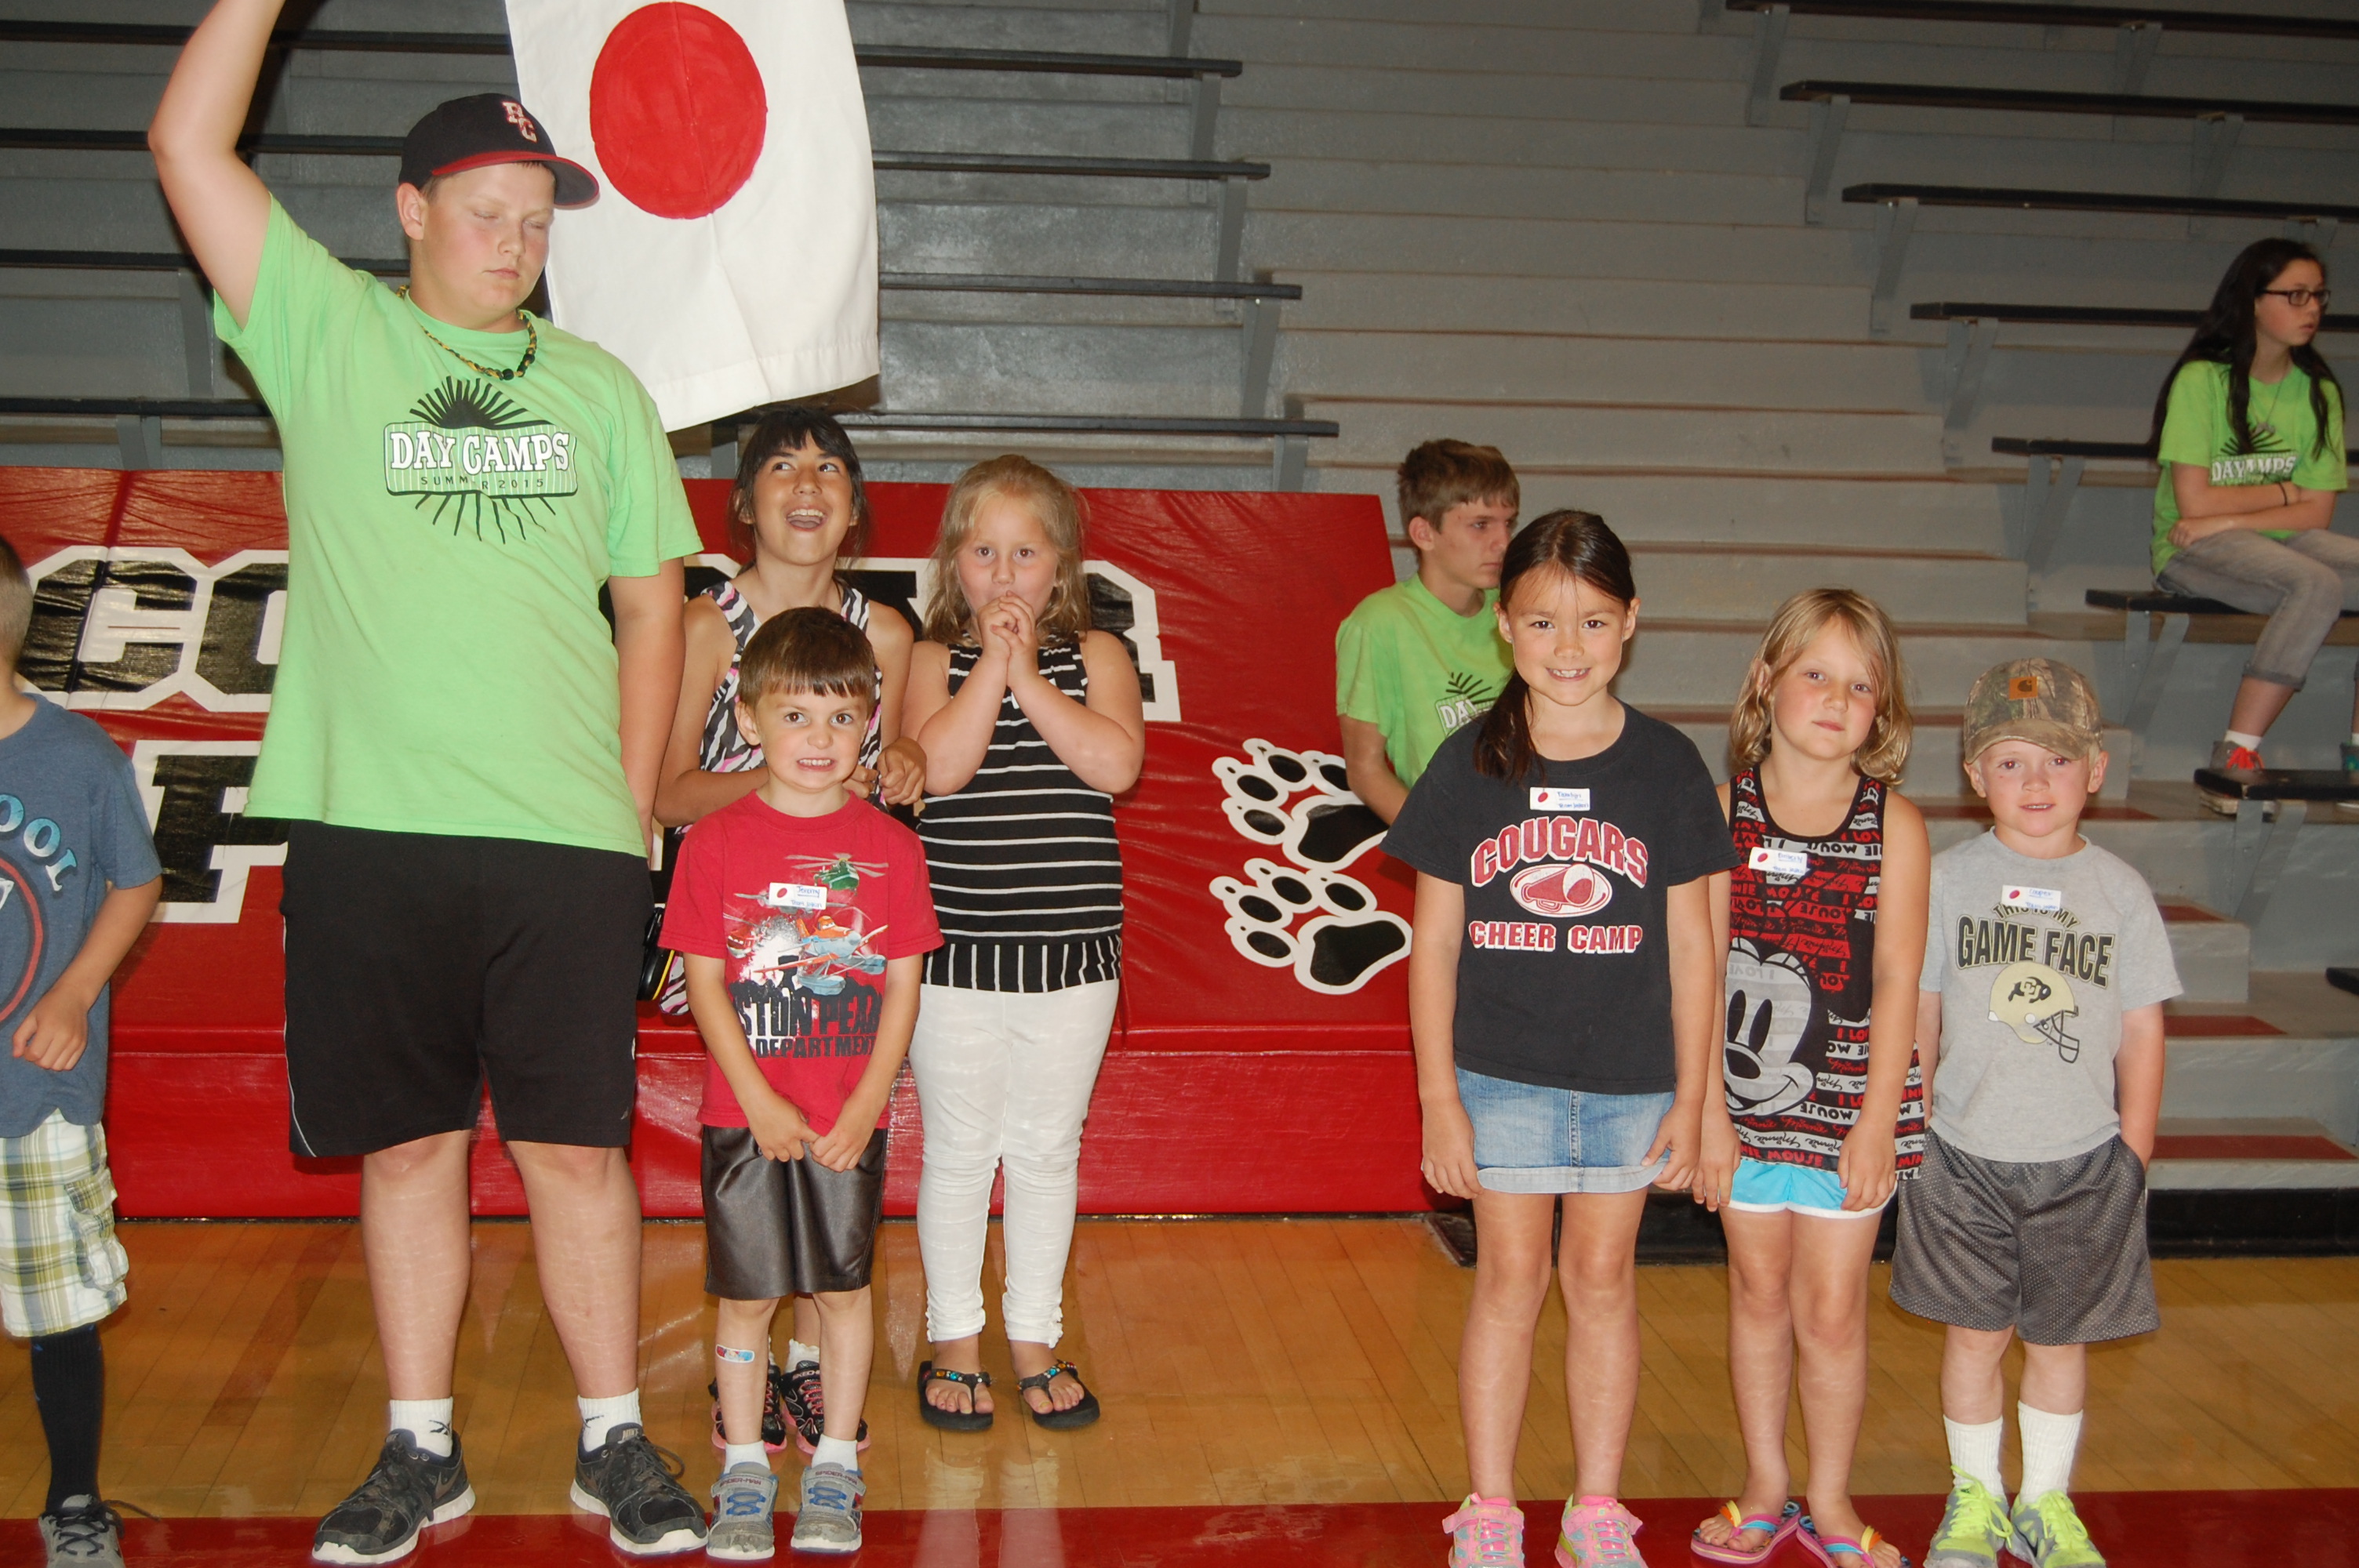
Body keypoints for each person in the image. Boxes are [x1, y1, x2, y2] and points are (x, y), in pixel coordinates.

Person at [149, 6, 708, 1559]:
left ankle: (613, 1442)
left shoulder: (599, 392)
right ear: (410, 214)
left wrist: (633, 796)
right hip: (372, 822)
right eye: (486, 212)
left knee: (576, 1148)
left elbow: (654, 601)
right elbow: (186, 146)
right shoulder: (328, 330)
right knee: (406, 1145)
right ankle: (421, 1449)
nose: (516, 240)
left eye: (536, 220)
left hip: (562, 838)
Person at [1384, 511, 1739, 1568]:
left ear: (1631, 622)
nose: (1569, 646)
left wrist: (1700, 1098)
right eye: (1542, 623)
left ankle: (1596, 1506)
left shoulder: (1668, 766)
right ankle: (1490, 1505)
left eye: (1591, 621)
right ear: (1505, 628)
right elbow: (1434, 944)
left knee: (1603, 1283)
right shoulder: (1467, 765)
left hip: (1634, 1080)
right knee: (1507, 1282)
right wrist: (1439, 1096)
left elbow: (1695, 946)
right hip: (1498, 1076)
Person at [652, 408, 925, 1459]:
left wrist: (897, 768)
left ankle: (815, 1372)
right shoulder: (704, 623)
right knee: (766, 1142)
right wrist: (774, 791)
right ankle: (752, 1371)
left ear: (854, 506)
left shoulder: (887, 632)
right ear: (744, 500)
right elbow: (670, 790)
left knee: (835, 1151)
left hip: (841, 924)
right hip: (738, 924)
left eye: (829, 468)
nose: (807, 482)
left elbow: (893, 781)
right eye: (781, 465)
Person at [661, 608, 940, 1559]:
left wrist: (865, 1103)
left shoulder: (893, 849)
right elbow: (704, 984)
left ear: (868, 720)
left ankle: (835, 1465)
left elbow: (902, 982)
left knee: (841, 1290)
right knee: (744, 1298)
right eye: (794, 715)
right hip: (744, 1117)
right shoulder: (714, 840)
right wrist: (758, 1100)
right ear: (747, 719)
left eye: (837, 716)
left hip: (844, 1123)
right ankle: (743, 1464)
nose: (817, 739)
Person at [1895, 659, 2178, 1568]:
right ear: (1973, 775)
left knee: (2058, 1340)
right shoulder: (1943, 880)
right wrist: (1913, 1130)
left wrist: (2131, 1155)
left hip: (2082, 1158)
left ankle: (2045, 1500)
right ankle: (1973, 1497)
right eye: (2009, 762)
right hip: (1963, 1152)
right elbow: (1921, 1011)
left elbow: (2141, 1029)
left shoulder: (2120, 891)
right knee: (1973, 1335)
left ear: (2093, 770)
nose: (2034, 782)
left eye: (2056, 760)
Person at [902, 456, 1144, 1431]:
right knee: (959, 1151)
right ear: (954, 561)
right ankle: (954, 1335)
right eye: (983, 551)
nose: (1004, 575)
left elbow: (1114, 764)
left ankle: (1033, 1334)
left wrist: (1031, 674)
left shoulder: (1098, 654)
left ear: (1061, 566)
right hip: (955, 947)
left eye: (1025, 553)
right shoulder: (930, 657)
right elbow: (940, 772)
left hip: (1071, 950)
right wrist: (989, 667)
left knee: (1045, 1150)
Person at [1689, 590, 1931, 1568]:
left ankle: (1827, 1496)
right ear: (1765, 682)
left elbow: (1897, 979)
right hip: (1740, 1109)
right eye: (1815, 674)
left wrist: (1877, 1122)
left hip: (1847, 1111)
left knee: (1830, 1307)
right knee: (1755, 1288)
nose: (1835, 698)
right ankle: (1761, 1482)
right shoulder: (1716, 815)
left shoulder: (1896, 825)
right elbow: (1697, 970)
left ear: (1883, 710)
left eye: (1859, 684)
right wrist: (1704, 1109)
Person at [0, 538, 164, 1568]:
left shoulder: (78, 759)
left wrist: (73, 987)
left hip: (35, 1094)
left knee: (58, 1310)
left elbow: (134, 882)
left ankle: (74, 1500)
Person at [2146, 238, 2354, 814]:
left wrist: (2232, 515)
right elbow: (2192, 503)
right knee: (2317, 584)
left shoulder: (2318, 392)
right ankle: (2235, 755)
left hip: (2257, 535)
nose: (2310, 308)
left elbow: (2318, 512)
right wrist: (2282, 493)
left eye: (2318, 296)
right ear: (2254, 301)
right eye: (2295, 295)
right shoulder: (2202, 382)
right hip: (2188, 550)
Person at [1336, 439, 1519, 823]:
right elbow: (1365, 771)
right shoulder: (1378, 624)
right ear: (1424, 534)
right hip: (1454, 847)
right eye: (1480, 525)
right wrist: (1441, 848)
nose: (1503, 542)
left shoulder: (1521, 609)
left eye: (1509, 523)